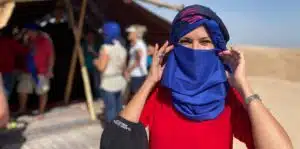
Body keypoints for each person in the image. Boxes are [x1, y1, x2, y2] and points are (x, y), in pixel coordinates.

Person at [101, 4, 293, 149]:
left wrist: (244, 86)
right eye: (186, 41)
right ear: (174, 46)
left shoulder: (227, 97)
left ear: (217, 48)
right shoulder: (160, 93)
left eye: (204, 42)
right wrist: (150, 82)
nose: (194, 50)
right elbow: (115, 141)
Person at [17, 24, 55, 119]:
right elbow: (22, 52)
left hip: (41, 71)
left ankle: (41, 112)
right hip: (27, 70)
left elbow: (51, 55)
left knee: (42, 91)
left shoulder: (45, 41)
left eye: (30, 31)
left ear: (36, 31)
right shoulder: (27, 41)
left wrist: (50, 69)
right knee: (22, 90)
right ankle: (22, 109)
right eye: (28, 31)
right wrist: (25, 42)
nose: (29, 33)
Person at [94, 22, 127, 123]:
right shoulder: (122, 48)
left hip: (108, 82)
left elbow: (101, 67)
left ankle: (111, 133)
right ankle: (120, 129)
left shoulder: (105, 48)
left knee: (110, 110)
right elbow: (123, 67)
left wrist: (95, 62)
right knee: (119, 108)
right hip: (119, 80)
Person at [124, 24, 148, 101]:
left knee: (135, 96)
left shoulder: (138, 45)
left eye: (130, 33)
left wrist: (128, 71)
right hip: (136, 74)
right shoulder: (135, 44)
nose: (128, 34)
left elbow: (138, 60)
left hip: (137, 75)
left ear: (136, 34)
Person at [82, 31, 102, 101]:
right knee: (88, 83)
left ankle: (98, 97)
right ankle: (90, 97)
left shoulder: (97, 45)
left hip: (95, 67)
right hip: (86, 67)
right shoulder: (83, 45)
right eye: (88, 36)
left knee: (97, 83)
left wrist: (92, 52)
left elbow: (100, 56)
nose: (90, 38)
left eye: (91, 36)